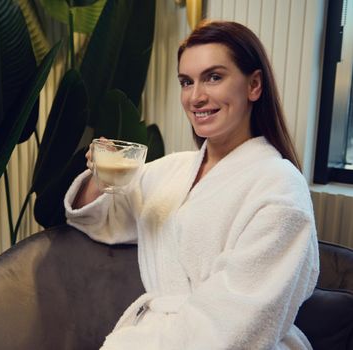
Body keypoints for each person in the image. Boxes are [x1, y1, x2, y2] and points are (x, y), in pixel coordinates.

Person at [63, 20, 319, 350]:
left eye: (214, 77)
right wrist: (102, 176)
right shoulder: (172, 171)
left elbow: (233, 326)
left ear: (254, 85)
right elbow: (97, 218)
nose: (196, 97)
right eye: (187, 82)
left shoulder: (280, 188)